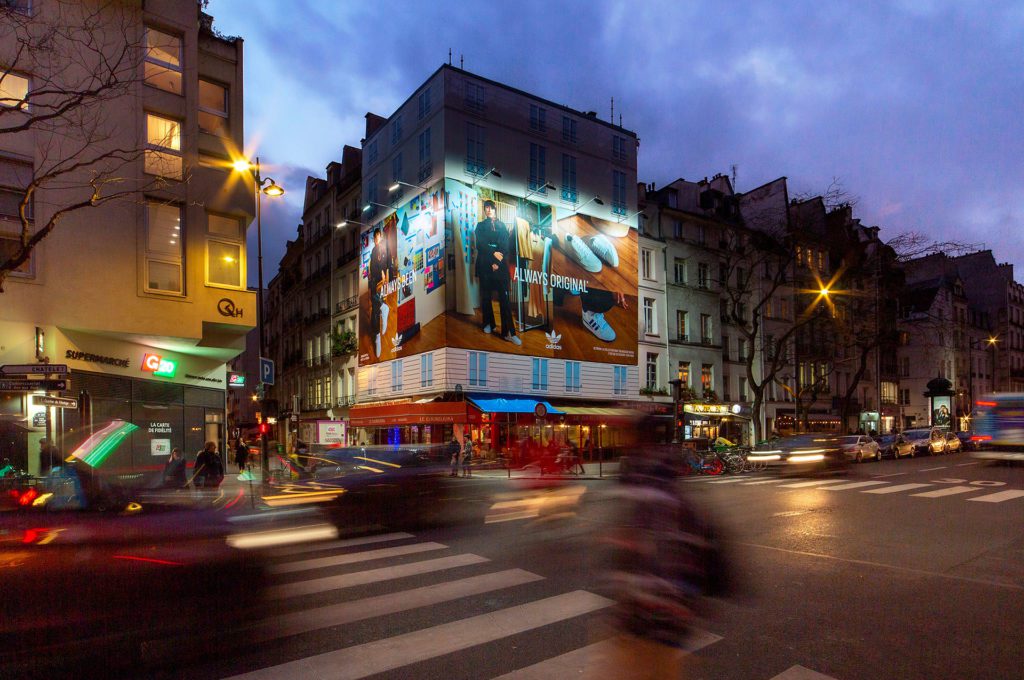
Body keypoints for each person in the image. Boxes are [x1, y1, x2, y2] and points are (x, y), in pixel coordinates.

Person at [596, 447, 732, 678]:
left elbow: (626, 561)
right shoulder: (686, 508)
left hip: (647, 616)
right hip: (670, 619)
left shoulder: (644, 511)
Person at [474, 199, 520, 345]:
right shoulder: (480, 226)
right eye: (486, 208)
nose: (488, 210)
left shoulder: (502, 226)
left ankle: (509, 333)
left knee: (505, 300)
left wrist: (497, 262)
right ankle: (488, 323)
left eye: (490, 208)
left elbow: (505, 246)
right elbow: (480, 245)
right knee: (486, 296)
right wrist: (493, 254)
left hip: (500, 266)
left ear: (495, 209)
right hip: (484, 264)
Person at [368, 226, 395, 358]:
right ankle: (377, 336)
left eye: (377, 237)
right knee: (375, 307)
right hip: (374, 282)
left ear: (381, 236)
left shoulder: (384, 248)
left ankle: (377, 337)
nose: (375, 240)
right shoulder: (374, 250)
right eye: (374, 238)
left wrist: (386, 274)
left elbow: (387, 264)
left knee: (375, 308)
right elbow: (373, 267)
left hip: (381, 282)